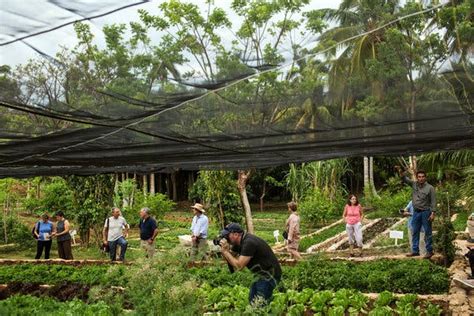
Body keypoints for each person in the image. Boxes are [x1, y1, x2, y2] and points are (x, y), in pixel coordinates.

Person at [219, 223, 282, 306]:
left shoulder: (249, 243)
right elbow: (229, 258)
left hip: (269, 275)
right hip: (259, 274)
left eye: (227, 235)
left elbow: (239, 266)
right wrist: (225, 250)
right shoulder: (238, 242)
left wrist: (226, 252)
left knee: (259, 304)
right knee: (252, 300)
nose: (226, 238)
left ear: (236, 234)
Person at [397, 167, 436, 259]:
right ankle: (415, 251)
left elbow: (433, 201)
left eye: (423, 177)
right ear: (417, 177)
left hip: (426, 212)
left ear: (425, 177)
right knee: (415, 231)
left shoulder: (430, 188)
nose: (421, 178)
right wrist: (400, 171)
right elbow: (404, 179)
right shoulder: (414, 185)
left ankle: (429, 251)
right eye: (419, 177)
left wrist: (433, 213)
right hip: (416, 212)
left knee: (427, 232)